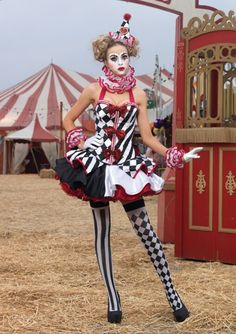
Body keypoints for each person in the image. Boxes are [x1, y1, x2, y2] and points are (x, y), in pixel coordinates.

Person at [55, 14, 202, 324]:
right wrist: (77, 139)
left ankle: (172, 293)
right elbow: (68, 119)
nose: (120, 62)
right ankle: (113, 297)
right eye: (113, 57)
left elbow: (147, 136)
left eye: (123, 56)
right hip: (97, 166)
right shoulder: (94, 90)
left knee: (146, 231)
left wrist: (176, 155)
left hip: (125, 167)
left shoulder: (138, 94)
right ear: (104, 60)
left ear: (129, 57)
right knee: (102, 230)